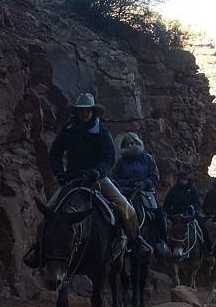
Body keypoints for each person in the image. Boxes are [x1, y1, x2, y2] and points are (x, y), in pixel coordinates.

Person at [24, 93, 151, 268]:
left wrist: (98, 171)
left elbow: (109, 159)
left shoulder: (102, 131)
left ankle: (136, 242)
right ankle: (38, 251)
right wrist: (61, 174)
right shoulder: (68, 130)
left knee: (127, 208)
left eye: (87, 111)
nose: (84, 114)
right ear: (76, 112)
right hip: (73, 179)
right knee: (46, 217)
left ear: (93, 111)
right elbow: (55, 154)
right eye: (81, 111)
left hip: (98, 179)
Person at [111, 132, 168, 253]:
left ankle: (161, 241)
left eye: (132, 143)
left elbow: (155, 176)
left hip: (145, 193)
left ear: (137, 143)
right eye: (127, 144)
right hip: (126, 193)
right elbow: (114, 178)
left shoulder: (147, 158)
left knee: (158, 212)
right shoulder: (121, 161)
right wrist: (126, 182)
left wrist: (144, 183)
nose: (130, 146)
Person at [163, 172, 213, 253]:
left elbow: (196, 202)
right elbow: (167, 203)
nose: (183, 181)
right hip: (175, 217)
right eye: (181, 180)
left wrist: (192, 207)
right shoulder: (174, 190)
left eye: (185, 180)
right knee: (164, 228)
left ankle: (207, 252)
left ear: (188, 180)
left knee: (203, 228)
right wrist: (168, 213)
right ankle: (163, 250)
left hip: (189, 216)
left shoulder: (192, 190)